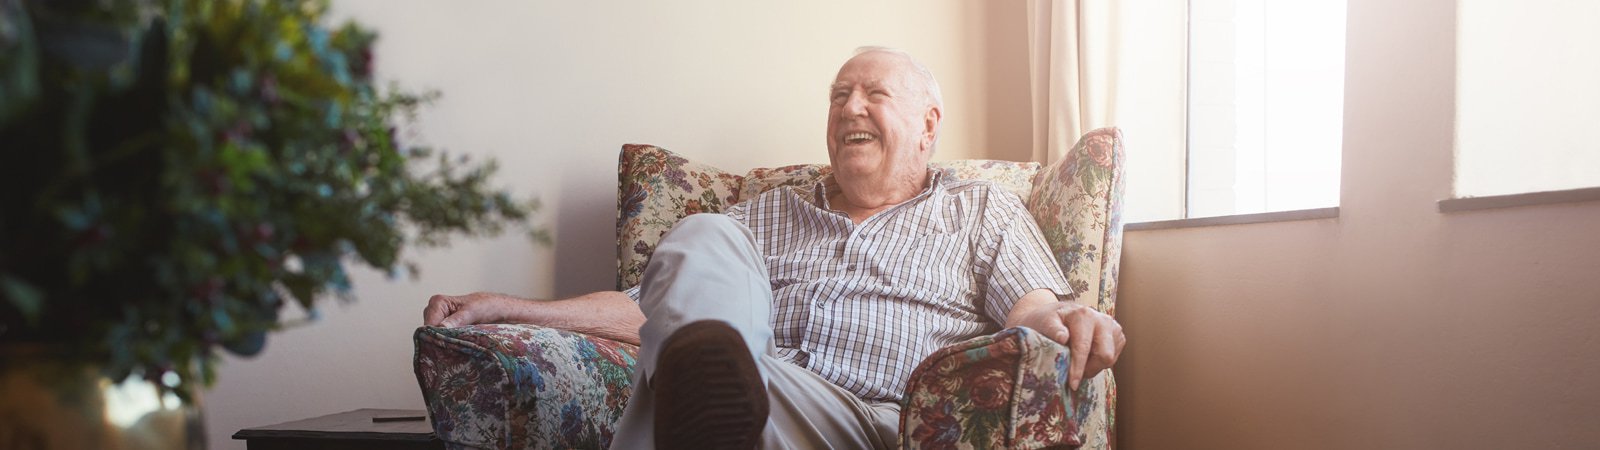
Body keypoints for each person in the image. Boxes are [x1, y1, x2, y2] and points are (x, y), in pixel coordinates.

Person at [423, 47, 1126, 450]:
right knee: (704, 246)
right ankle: (715, 393)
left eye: (873, 94)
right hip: (767, 398)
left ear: (927, 123)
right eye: (838, 96)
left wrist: (1073, 319)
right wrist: (507, 309)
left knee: (674, 394)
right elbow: (649, 312)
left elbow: (1033, 309)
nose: (849, 107)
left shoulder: (981, 210)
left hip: (887, 420)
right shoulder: (767, 215)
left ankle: (709, 400)